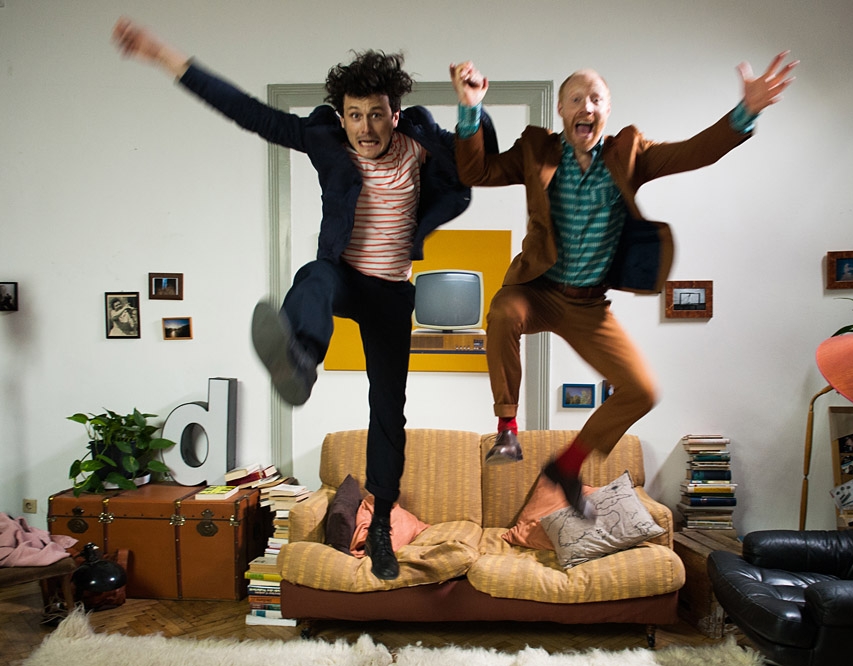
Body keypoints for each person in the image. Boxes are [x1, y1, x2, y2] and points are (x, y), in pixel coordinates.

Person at [112, 17, 496, 580]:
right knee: (313, 276)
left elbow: (472, 164)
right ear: (342, 116)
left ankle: (381, 527)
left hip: (391, 294)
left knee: (388, 412)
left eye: (376, 114)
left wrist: (470, 107)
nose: (366, 128)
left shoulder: (420, 143)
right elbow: (249, 112)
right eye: (354, 115)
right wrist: (165, 57)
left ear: (395, 113)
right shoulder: (326, 140)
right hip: (344, 275)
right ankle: (300, 361)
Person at [451, 54, 796, 515]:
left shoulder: (629, 154)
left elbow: (694, 151)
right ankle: (507, 428)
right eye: (576, 99)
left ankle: (566, 467)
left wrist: (745, 112)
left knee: (642, 391)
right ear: (561, 109)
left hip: (588, 305)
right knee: (501, 311)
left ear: (607, 110)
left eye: (596, 99)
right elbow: (474, 172)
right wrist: (470, 108)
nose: (586, 107)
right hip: (537, 290)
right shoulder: (536, 150)